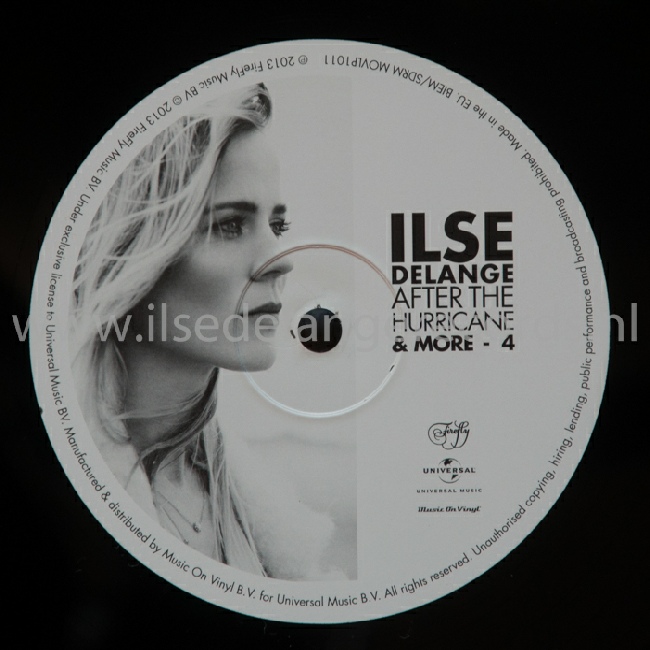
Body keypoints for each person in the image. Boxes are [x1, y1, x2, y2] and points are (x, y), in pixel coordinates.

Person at [71, 84, 345, 579]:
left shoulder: (258, 514)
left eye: (277, 227)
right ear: (133, 250)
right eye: (230, 225)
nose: (280, 261)